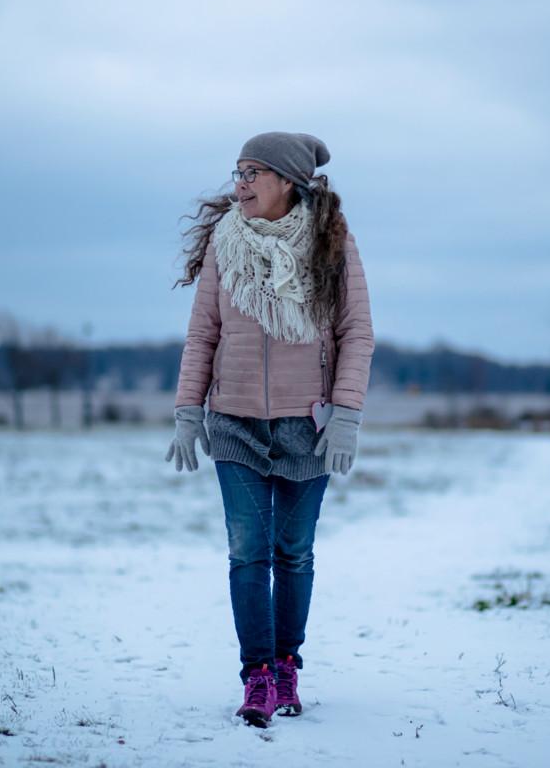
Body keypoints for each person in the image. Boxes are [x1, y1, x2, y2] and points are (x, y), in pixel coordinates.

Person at [166, 132, 374, 728]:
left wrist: (348, 414)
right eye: (238, 171)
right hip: (233, 422)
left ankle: (287, 663)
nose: (241, 182)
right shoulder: (222, 246)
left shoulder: (332, 246)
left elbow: (356, 334)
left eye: (253, 172)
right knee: (246, 553)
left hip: (308, 426)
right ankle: (257, 676)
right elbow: (202, 333)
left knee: (295, 554)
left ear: (288, 180)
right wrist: (187, 411)